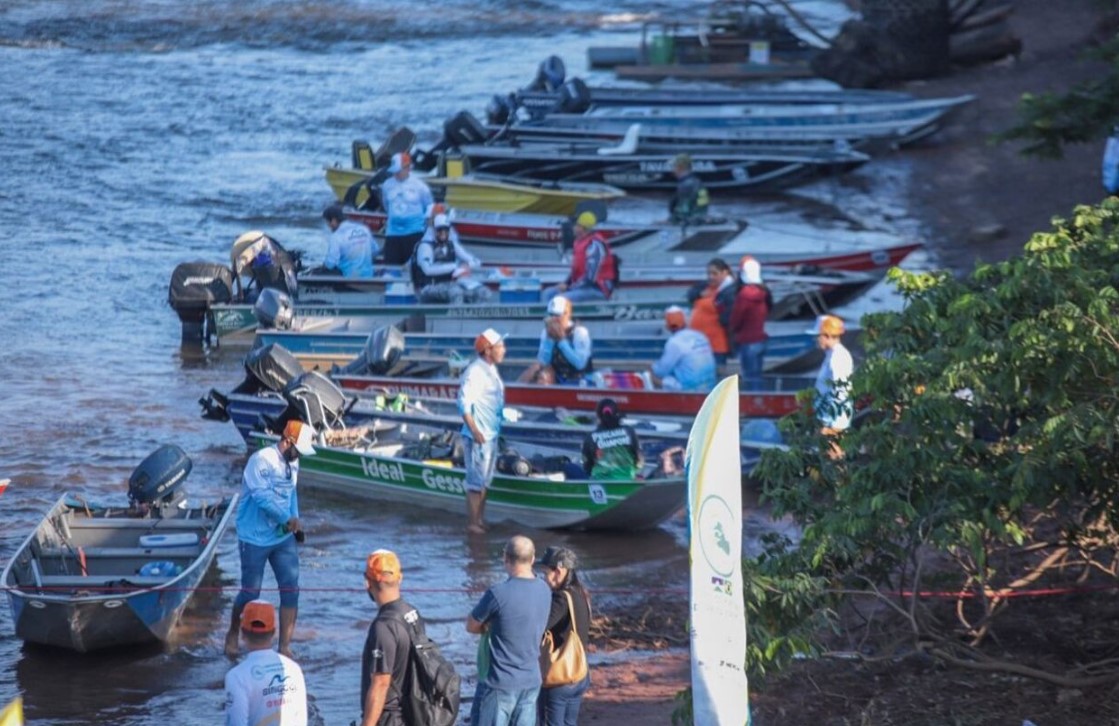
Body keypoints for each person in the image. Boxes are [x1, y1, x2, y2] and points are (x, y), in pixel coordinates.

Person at [224, 419, 314, 659]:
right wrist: (287, 518)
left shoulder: (293, 462)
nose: (300, 456)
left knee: (291, 590)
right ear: (288, 441)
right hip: (254, 537)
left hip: (282, 537)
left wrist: (295, 520)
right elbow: (262, 498)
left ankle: (284, 646)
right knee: (250, 593)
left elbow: (291, 492)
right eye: (299, 450)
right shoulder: (261, 460)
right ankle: (233, 632)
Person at [466, 535, 552, 726]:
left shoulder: (498, 593)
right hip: (531, 677)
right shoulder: (545, 590)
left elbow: (471, 625)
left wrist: (487, 626)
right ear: (532, 558)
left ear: (505, 558)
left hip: (500, 680)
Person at [360, 549, 423, 726]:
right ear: (399, 578)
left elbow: (381, 684)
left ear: (367, 582)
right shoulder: (412, 613)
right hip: (411, 713)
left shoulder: (383, 626)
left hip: (389, 718)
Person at [224, 599, 308, 726]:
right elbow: (301, 720)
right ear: (273, 632)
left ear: (242, 634)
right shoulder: (294, 669)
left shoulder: (236, 676)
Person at [536, 546, 593, 726]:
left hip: (559, 675)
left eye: (546, 573)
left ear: (559, 571)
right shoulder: (581, 593)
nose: (544, 578)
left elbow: (539, 627)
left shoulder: (561, 598)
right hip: (579, 672)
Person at [459, 327, 507, 534]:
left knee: (485, 482)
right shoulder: (475, 372)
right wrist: (474, 430)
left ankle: (479, 520)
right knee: (475, 483)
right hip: (478, 436)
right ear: (488, 350)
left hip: (491, 434)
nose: (504, 350)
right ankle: (473, 523)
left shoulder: (490, 370)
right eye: (500, 346)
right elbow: (463, 405)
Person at [409, 213, 492, 304]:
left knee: (482, 292)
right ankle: (454, 313)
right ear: (434, 230)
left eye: (446, 230)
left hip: (450, 283)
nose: (443, 233)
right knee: (456, 292)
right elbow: (427, 270)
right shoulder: (425, 247)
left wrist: (467, 265)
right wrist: (455, 266)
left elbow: (476, 261)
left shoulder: (452, 245)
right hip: (428, 287)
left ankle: (475, 312)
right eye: (440, 230)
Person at [518, 295, 593, 386]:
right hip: (557, 377)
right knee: (535, 371)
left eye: (557, 315)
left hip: (580, 378)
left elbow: (580, 364)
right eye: (551, 315)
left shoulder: (580, 332)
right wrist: (549, 340)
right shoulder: (546, 332)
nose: (553, 319)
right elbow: (543, 361)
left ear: (567, 314)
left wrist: (561, 341)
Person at [544, 212, 616, 303]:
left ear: (582, 228)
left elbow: (590, 278)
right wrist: (565, 283)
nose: (573, 228)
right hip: (581, 287)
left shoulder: (595, 245)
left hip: (597, 289)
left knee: (560, 300)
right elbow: (575, 272)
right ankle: (546, 312)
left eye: (575, 225)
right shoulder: (579, 242)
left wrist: (569, 288)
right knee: (548, 293)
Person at [380, 152, 434, 265]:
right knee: (390, 268)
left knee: (414, 267)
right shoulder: (386, 185)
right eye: (394, 171)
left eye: (398, 171)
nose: (395, 174)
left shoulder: (420, 187)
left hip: (414, 234)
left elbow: (428, 208)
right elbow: (386, 206)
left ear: (407, 168)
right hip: (393, 234)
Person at [649, 306, 718, 392]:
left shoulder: (674, 342)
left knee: (652, 377)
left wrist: (651, 368)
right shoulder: (701, 336)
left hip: (689, 389)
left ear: (667, 326)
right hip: (710, 387)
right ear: (685, 322)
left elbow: (661, 371)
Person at [729, 256, 773, 388]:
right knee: (757, 376)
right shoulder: (764, 292)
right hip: (760, 339)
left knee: (749, 377)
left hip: (747, 341)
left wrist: (732, 329)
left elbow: (736, 318)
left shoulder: (744, 295)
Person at [808, 314, 854, 437]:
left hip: (834, 421)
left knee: (834, 449)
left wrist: (832, 424)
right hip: (826, 418)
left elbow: (841, 390)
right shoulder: (831, 355)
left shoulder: (838, 356)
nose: (816, 340)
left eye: (818, 336)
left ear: (827, 335)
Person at [686, 258, 737, 367]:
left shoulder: (730, 291)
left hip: (716, 344)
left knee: (717, 374)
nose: (711, 277)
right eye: (709, 273)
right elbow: (690, 295)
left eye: (714, 273)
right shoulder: (705, 286)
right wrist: (700, 294)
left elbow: (728, 317)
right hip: (698, 344)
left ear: (725, 272)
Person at [580, 398, 641, 480]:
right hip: (627, 481)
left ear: (598, 415)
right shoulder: (629, 431)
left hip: (601, 483)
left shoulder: (590, 437)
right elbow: (638, 459)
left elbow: (587, 465)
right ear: (616, 412)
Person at [322, 203, 376, 278]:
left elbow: (331, 263)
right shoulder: (364, 229)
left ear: (333, 220)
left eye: (327, 223)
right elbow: (375, 251)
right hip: (368, 276)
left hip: (349, 277)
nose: (328, 226)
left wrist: (323, 266)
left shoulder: (336, 236)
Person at [667, 153, 710, 224]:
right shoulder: (697, 182)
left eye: (674, 167)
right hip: (700, 218)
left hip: (691, 222)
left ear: (680, 167)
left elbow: (682, 212)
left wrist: (670, 221)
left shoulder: (686, 185)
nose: (673, 170)